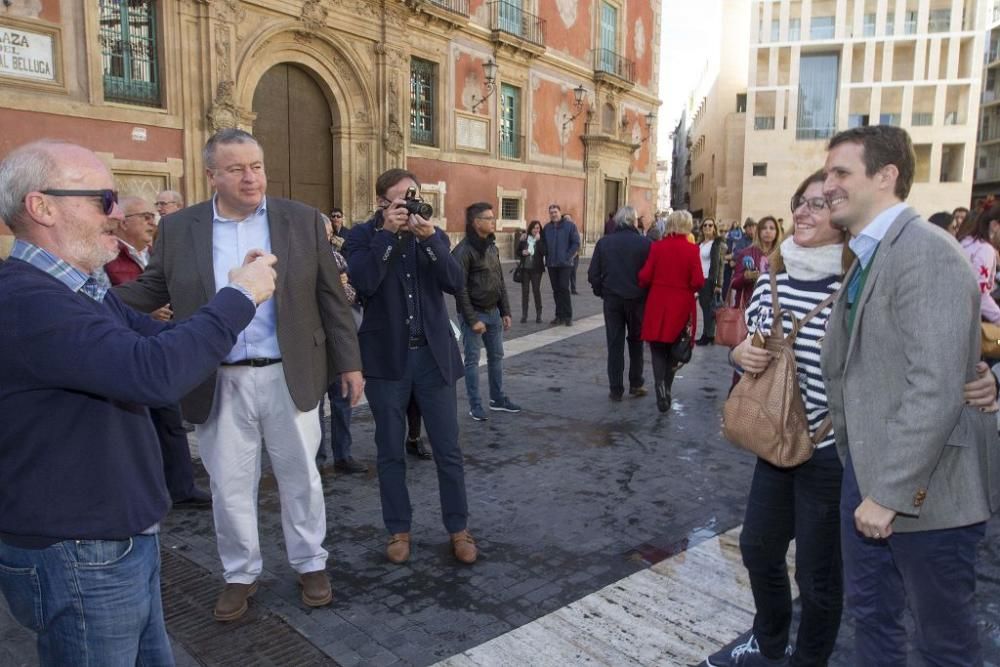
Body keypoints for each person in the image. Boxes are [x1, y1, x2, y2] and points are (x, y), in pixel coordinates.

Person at [0, 139, 276, 663]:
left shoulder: (81, 288)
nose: (118, 213)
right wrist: (239, 296)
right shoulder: (28, 300)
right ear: (42, 207)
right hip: (78, 550)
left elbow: (151, 344)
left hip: (117, 536)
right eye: (103, 200)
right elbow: (153, 375)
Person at [115, 128, 364, 620]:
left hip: (288, 372)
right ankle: (239, 573)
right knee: (229, 487)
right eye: (237, 169)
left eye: (256, 166)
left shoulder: (300, 220)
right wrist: (81, 303)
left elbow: (329, 297)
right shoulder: (182, 228)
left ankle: (311, 562)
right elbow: (152, 288)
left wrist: (350, 362)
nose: (251, 177)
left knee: (301, 478)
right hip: (217, 378)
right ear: (212, 175)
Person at [821, 125, 1000, 662]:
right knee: (874, 619)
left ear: (886, 176)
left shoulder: (927, 253)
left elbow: (936, 385)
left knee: (943, 643)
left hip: (926, 495)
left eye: (840, 172)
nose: (828, 185)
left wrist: (890, 493)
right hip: (869, 478)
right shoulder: (868, 256)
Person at [345, 168, 477, 565]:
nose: (410, 204)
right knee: (389, 451)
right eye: (401, 198)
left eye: (413, 195)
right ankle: (398, 531)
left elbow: (455, 282)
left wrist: (431, 240)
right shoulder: (362, 236)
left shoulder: (432, 235)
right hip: (387, 361)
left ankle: (459, 529)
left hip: (433, 359)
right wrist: (387, 234)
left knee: (448, 449)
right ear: (383, 202)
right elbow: (364, 283)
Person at [105, 195, 213, 509]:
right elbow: (107, 301)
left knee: (170, 421)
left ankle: (181, 487)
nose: (155, 222)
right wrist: (145, 315)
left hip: (159, 347)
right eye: (146, 216)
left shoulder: (156, 252)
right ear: (125, 222)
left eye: (154, 215)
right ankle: (143, 491)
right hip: (127, 352)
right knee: (134, 428)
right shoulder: (107, 257)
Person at [453, 202, 521, 421]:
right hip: (474, 315)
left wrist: (506, 311)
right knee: (472, 360)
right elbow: (459, 289)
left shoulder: (492, 247)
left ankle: (497, 399)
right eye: (489, 218)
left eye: (494, 218)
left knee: (497, 356)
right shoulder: (463, 251)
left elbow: (499, 280)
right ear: (476, 222)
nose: (494, 221)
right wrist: (472, 320)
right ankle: (475, 405)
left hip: (493, 313)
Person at [316, 213, 368, 474]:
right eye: (321, 234)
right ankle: (316, 458)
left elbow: (350, 296)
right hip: (312, 345)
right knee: (313, 407)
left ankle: (343, 455)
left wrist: (340, 287)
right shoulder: (299, 261)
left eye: (327, 234)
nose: (326, 238)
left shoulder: (337, 258)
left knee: (342, 400)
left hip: (337, 341)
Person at [638, 210, 704, 412]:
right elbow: (698, 281)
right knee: (675, 348)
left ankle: (659, 386)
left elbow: (645, 276)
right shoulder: (692, 250)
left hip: (658, 302)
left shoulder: (657, 247)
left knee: (658, 348)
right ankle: (667, 387)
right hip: (681, 305)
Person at [588, 205, 652, 401]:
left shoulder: (604, 243)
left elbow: (593, 274)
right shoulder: (645, 244)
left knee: (614, 344)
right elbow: (651, 275)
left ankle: (615, 389)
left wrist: (602, 292)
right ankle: (636, 383)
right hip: (637, 300)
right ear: (634, 221)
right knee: (636, 342)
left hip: (612, 300)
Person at [956, 205, 1000, 324]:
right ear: (995, 225)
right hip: (963, 321)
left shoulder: (965, 242)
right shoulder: (984, 250)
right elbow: (979, 294)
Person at [730, 215, 783, 310]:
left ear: (777, 232)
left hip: (774, 308)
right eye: (764, 228)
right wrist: (746, 276)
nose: (768, 231)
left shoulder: (782, 255)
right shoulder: (746, 253)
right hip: (749, 308)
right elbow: (734, 283)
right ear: (758, 231)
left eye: (772, 228)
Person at [542, 203, 581, 325]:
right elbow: (542, 243)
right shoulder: (547, 227)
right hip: (551, 264)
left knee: (564, 288)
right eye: (551, 212)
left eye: (555, 212)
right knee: (556, 290)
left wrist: (567, 256)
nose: (553, 214)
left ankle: (568, 316)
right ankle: (559, 315)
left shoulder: (570, 226)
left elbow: (576, 243)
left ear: (560, 212)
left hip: (565, 264)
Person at [696, 217, 725, 345]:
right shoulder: (700, 244)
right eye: (705, 225)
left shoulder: (716, 244)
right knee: (704, 307)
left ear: (714, 228)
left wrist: (718, 284)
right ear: (702, 228)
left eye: (710, 225)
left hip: (709, 279)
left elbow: (719, 264)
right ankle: (709, 334)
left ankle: (707, 335)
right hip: (700, 278)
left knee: (708, 308)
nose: (707, 227)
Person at [515, 220, 546, 323]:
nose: (536, 230)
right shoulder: (524, 239)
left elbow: (544, 252)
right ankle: (524, 315)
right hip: (525, 269)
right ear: (530, 229)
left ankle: (539, 314)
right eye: (534, 228)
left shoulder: (541, 239)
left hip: (537, 270)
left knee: (536, 290)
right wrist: (522, 252)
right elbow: (517, 251)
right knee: (525, 292)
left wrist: (538, 241)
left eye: (538, 228)